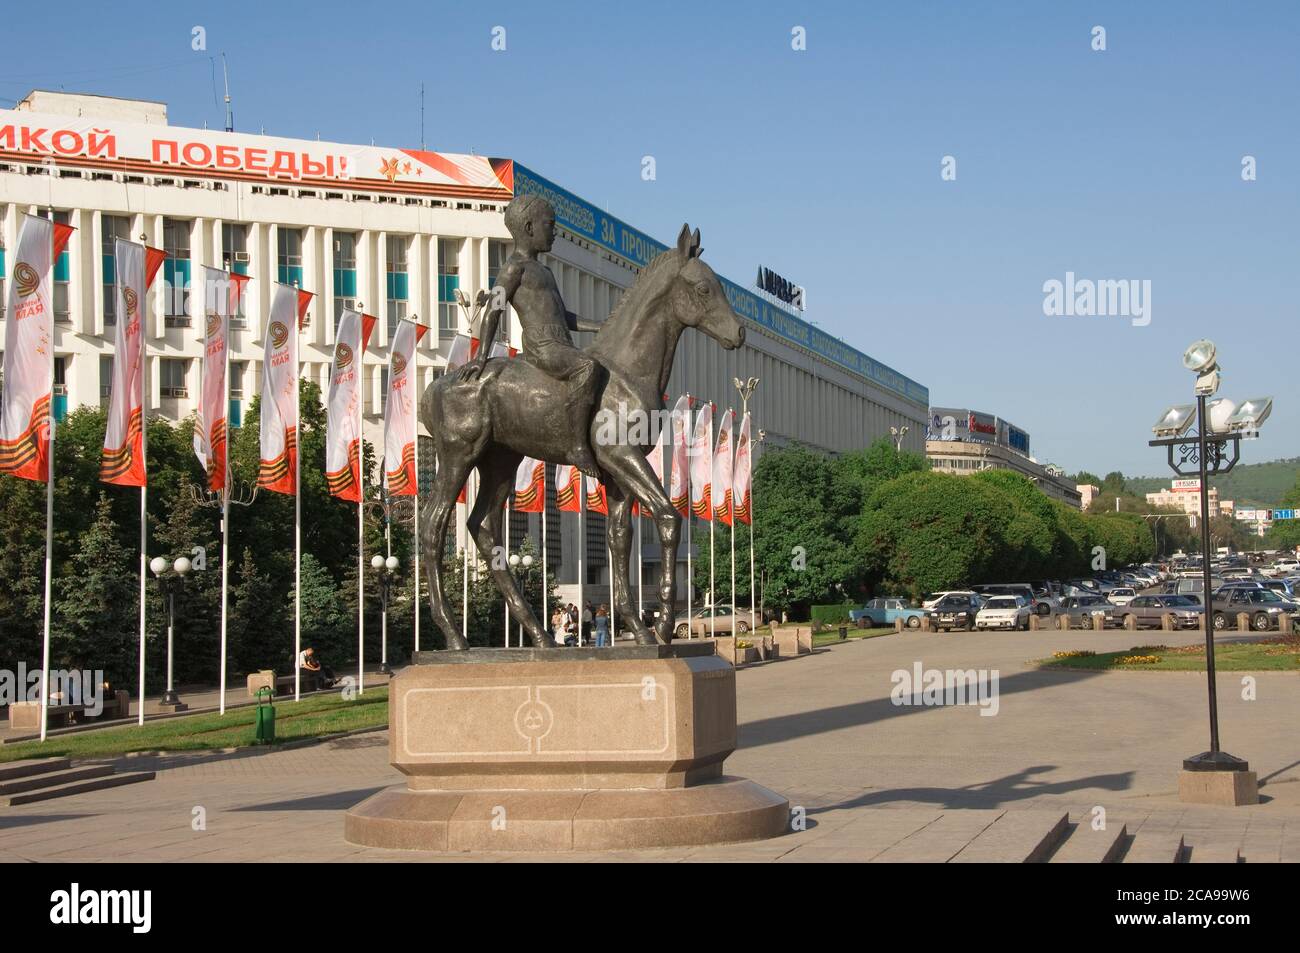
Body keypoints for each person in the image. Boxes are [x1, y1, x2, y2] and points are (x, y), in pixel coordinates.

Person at [456, 194, 601, 479]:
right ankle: (576, 444)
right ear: (529, 227)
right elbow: (493, 310)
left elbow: (565, 317)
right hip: (542, 346)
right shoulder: (514, 268)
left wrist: (601, 326)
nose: (555, 232)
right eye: (550, 224)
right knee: (588, 366)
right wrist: (482, 356)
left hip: (562, 343)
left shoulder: (545, 271)